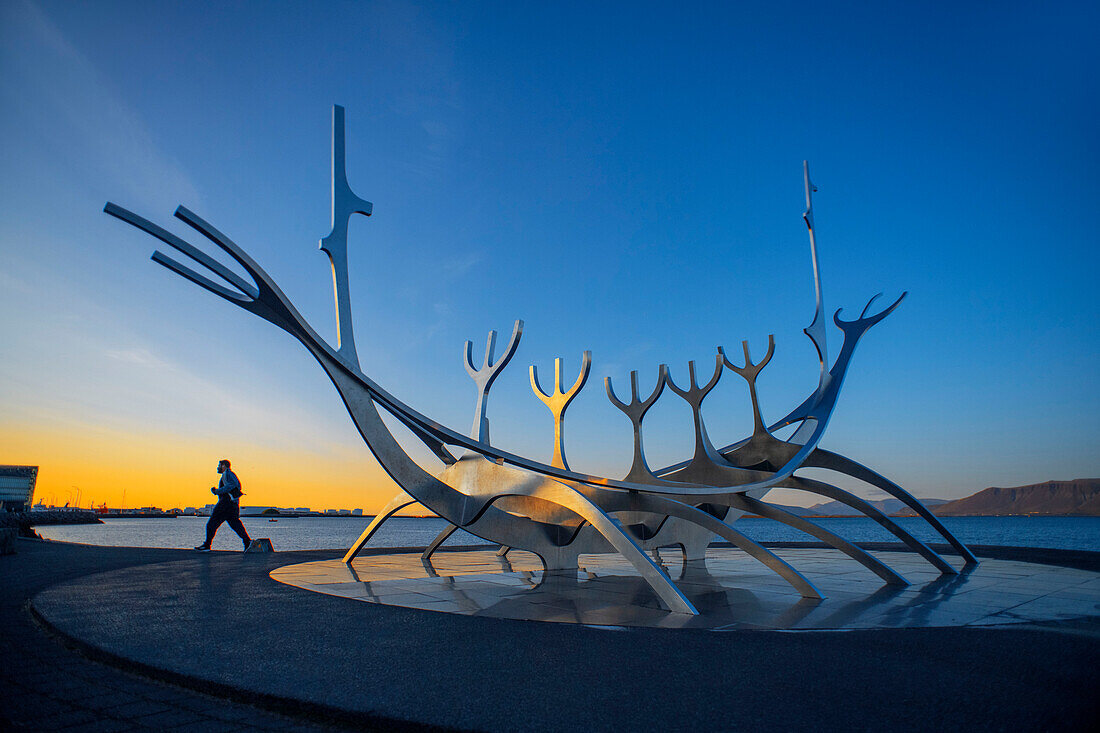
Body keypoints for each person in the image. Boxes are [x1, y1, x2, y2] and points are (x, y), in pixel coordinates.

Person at [194, 459, 252, 552]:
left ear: (224, 466)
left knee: (211, 524)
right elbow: (235, 486)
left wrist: (217, 491)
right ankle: (248, 543)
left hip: (225, 504)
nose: (218, 467)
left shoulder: (227, 474)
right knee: (236, 525)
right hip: (232, 505)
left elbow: (232, 485)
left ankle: (207, 545)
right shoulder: (230, 475)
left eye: (219, 465)